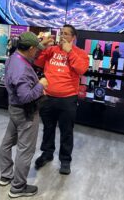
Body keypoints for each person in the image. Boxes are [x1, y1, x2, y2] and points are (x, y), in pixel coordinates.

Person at [34, 24, 89, 175]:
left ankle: (65, 160)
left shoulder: (80, 53)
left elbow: (81, 69)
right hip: (48, 97)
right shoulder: (51, 50)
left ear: (73, 37)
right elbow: (37, 62)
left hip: (68, 99)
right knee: (48, 128)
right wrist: (42, 47)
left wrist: (69, 52)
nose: (62, 36)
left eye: (66, 34)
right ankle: (47, 154)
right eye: (61, 33)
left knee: (66, 131)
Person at [0, 31, 48, 198]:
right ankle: (18, 187)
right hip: (25, 112)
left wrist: (42, 42)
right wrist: (40, 85)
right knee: (25, 150)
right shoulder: (21, 69)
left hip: (14, 109)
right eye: (36, 49)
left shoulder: (14, 57)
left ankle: (6, 176)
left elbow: (30, 58)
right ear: (30, 48)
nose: (37, 52)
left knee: (7, 142)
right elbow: (26, 96)